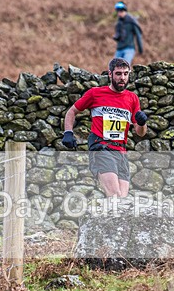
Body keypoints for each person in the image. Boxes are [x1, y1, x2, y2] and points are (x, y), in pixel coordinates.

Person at [61, 57, 148, 198]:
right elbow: (72, 111)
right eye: (118, 74)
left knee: (122, 201)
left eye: (126, 74)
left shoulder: (132, 98)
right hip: (101, 147)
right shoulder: (95, 93)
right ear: (110, 74)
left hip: (121, 151)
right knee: (115, 195)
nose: (122, 78)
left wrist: (142, 123)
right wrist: (68, 132)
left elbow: (140, 133)